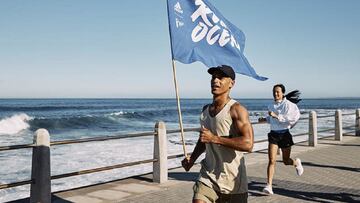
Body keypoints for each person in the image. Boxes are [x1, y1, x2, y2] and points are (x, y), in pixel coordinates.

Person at [181, 65, 254, 203]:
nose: (215, 80)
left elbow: (248, 144)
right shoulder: (205, 110)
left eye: (221, 77)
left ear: (231, 83)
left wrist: (214, 138)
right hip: (207, 176)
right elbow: (203, 140)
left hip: (233, 181)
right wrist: (192, 159)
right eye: (213, 77)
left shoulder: (237, 109)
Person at [258, 84, 303, 195]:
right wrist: (265, 119)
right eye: (274, 92)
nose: (275, 94)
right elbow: (272, 119)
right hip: (273, 135)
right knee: (271, 160)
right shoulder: (271, 105)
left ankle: (296, 162)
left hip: (284, 135)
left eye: (278, 92)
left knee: (286, 161)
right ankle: (269, 186)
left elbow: (292, 118)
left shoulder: (289, 105)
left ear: (283, 93)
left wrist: (277, 116)